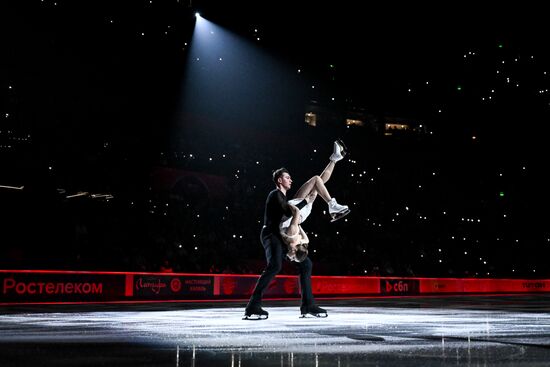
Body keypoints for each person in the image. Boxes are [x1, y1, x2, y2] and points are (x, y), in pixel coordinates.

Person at [243, 140, 348, 320]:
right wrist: (306, 202)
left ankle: (308, 305)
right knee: (275, 265)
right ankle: (252, 306)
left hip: (286, 229)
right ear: (279, 180)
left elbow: (320, 180)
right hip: (271, 234)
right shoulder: (275, 194)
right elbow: (287, 211)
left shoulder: (294, 200)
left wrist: (333, 162)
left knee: (306, 264)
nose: (291, 179)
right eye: (287, 177)